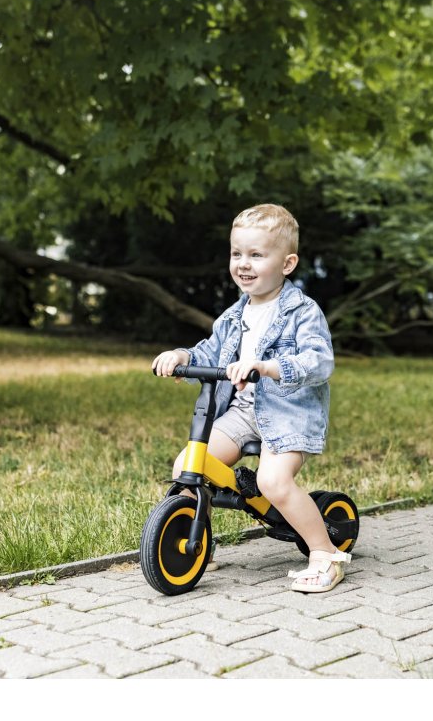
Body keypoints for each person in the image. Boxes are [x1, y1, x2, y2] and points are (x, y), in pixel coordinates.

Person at [151, 203, 349, 593]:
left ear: (287, 264)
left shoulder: (302, 312)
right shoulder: (232, 316)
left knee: (272, 481)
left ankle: (326, 554)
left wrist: (269, 367)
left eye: (256, 255)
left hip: (287, 412)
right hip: (242, 412)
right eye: (237, 253)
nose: (244, 263)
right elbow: (209, 353)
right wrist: (182, 357)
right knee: (189, 465)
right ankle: (195, 540)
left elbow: (320, 361)